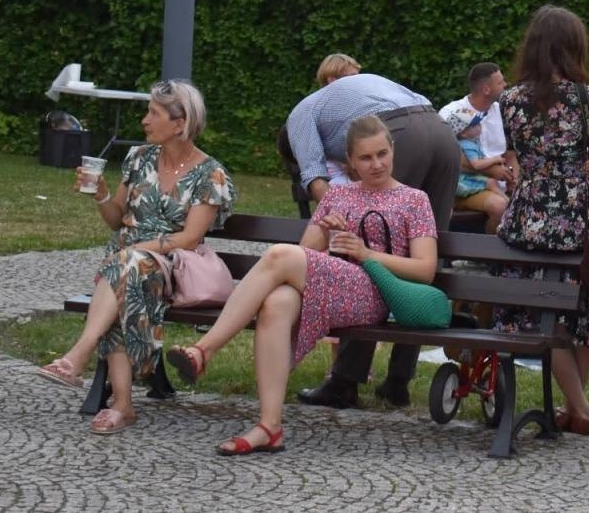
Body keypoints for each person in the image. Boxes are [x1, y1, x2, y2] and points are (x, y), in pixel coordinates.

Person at [165, 116, 438, 454]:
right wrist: (325, 227)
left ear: (393, 150)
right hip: (335, 290)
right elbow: (307, 253)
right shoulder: (338, 194)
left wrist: (367, 253)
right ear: (350, 161)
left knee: (280, 255)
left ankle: (204, 349)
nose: (376, 164)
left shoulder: (414, 199)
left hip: (379, 294)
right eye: (366, 158)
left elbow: (425, 270)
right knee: (277, 302)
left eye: (382, 154)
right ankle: (269, 426)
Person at [34, 81, 235, 435]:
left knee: (124, 268)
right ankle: (122, 406)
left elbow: (189, 237)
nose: (144, 120)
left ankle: (78, 357)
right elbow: (117, 219)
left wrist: (137, 250)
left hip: (172, 263)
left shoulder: (210, 173)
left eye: (153, 113)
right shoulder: (138, 158)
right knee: (123, 274)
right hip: (126, 263)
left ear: (180, 122)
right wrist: (101, 194)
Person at [284, 71, 460, 408]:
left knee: (373, 252)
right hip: (439, 129)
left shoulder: (298, 118)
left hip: (401, 132)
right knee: (423, 247)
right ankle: (398, 381)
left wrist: (336, 219)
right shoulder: (334, 101)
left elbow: (317, 182)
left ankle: (345, 381)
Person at [491, 5, 589, 435]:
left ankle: (572, 409)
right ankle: (579, 406)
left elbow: (520, 163)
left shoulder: (509, 99)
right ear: (574, 48)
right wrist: (586, 168)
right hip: (579, 216)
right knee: (581, 312)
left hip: (529, 214)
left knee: (541, 309)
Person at [438, 61, 512, 223]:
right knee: (500, 207)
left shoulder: (503, 111)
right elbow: (445, 159)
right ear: (486, 89)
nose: (506, 85)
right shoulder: (453, 113)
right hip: (465, 186)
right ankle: (490, 249)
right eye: (500, 82)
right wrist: (490, 171)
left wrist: (516, 180)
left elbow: (511, 153)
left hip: (497, 184)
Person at [312, 53, 362, 185]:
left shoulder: (359, 102)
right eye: (350, 77)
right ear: (331, 80)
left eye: (357, 77)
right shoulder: (321, 108)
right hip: (336, 173)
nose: (357, 82)